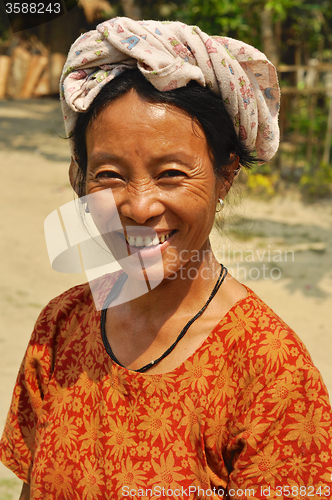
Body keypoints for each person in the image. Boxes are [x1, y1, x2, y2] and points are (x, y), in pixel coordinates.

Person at [1, 17, 332, 500]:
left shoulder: (273, 376)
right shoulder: (60, 329)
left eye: (172, 174)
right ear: (80, 179)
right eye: (110, 174)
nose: (138, 207)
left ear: (226, 177)